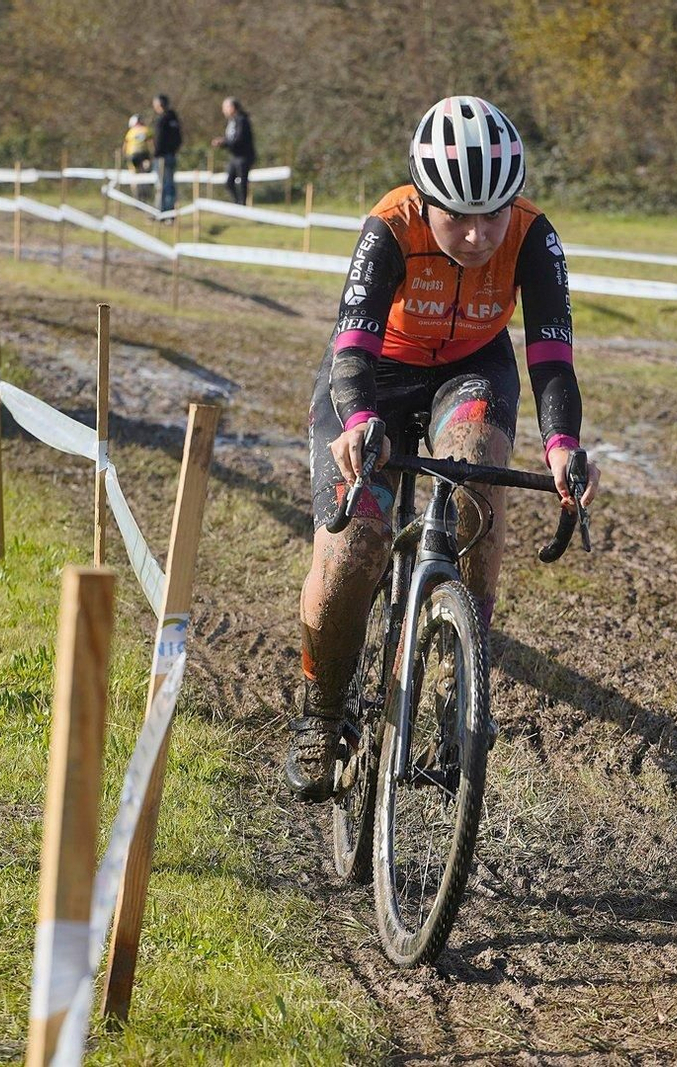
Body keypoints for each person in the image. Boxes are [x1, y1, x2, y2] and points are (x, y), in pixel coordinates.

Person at [286, 95, 601, 799]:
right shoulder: (391, 227)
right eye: (457, 215)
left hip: (470, 368)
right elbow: (351, 345)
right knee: (353, 551)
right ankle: (323, 707)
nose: (478, 233)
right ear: (426, 200)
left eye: (493, 213)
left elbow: (553, 356)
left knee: (477, 483)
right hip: (377, 374)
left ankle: (462, 681)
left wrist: (561, 445)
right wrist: (361, 418)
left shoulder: (534, 235)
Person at [210, 97, 254, 205]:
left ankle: (243, 205)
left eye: (225, 107)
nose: (223, 110)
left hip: (244, 156)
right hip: (235, 156)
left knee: (242, 182)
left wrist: (224, 142)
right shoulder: (232, 121)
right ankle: (237, 203)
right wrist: (223, 142)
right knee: (229, 182)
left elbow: (239, 138)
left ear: (232, 107)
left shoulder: (242, 120)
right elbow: (231, 138)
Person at [150, 94, 181, 214]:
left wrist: (156, 153)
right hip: (172, 155)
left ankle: (162, 212)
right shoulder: (174, 119)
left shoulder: (162, 120)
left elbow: (159, 139)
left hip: (162, 157)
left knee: (162, 185)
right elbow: (179, 139)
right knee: (170, 184)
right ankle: (170, 212)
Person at [123, 113, 151, 201]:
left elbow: (125, 146)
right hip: (144, 156)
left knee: (134, 177)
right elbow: (151, 144)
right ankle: (145, 196)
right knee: (144, 175)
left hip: (132, 156)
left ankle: (136, 198)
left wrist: (125, 156)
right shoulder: (147, 130)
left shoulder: (130, 132)